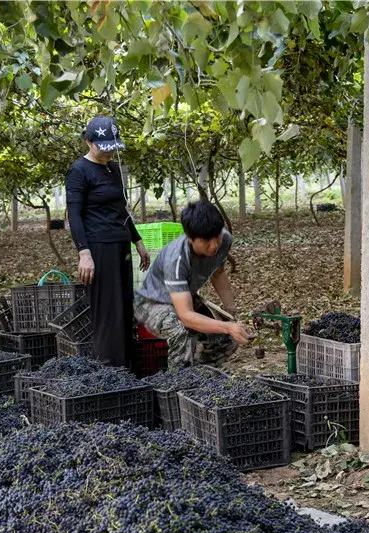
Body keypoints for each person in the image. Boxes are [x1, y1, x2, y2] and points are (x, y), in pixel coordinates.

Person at [65, 115, 151, 367]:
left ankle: (127, 365)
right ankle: (110, 369)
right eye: (104, 147)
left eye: (113, 147)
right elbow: (75, 216)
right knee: (107, 311)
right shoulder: (78, 171)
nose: (109, 153)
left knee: (124, 308)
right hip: (99, 247)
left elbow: (120, 208)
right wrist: (84, 253)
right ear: (88, 143)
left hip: (120, 244)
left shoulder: (112, 168)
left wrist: (137, 240)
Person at [133, 200, 249, 369]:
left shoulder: (225, 239)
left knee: (227, 338)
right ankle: (176, 386)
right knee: (182, 332)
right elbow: (186, 316)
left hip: (183, 296)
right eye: (206, 241)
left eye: (216, 237)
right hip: (152, 303)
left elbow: (218, 272)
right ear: (190, 239)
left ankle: (202, 374)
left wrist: (229, 308)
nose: (214, 246)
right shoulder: (177, 259)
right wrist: (227, 326)